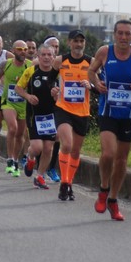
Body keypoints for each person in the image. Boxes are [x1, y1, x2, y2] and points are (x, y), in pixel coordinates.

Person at [88, 19, 131, 221]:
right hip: (107, 111)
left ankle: (113, 200)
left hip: (128, 114)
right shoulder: (104, 52)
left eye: (128, 34)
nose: (124, 37)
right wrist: (97, 83)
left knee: (122, 160)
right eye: (120, 33)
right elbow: (91, 71)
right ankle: (103, 189)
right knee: (108, 154)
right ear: (114, 35)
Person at [53, 30, 92, 201]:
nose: (78, 44)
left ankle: (69, 183)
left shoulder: (91, 62)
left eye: (81, 41)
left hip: (82, 112)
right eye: (75, 41)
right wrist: (52, 88)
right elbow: (48, 78)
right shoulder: (61, 60)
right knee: (67, 145)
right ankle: (64, 182)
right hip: (63, 108)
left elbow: (100, 84)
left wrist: (91, 84)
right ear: (69, 43)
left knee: (75, 151)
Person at [15, 44, 59, 189]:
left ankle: (39, 176)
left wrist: (57, 95)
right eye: (43, 55)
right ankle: (30, 156)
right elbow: (18, 88)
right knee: (37, 147)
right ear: (38, 57)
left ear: (53, 57)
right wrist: (27, 96)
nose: (46, 57)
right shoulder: (31, 71)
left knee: (48, 148)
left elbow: (64, 94)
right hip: (35, 115)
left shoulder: (58, 74)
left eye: (49, 55)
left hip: (51, 115)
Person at [0, 40, 32, 176]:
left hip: (24, 103)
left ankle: (15, 160)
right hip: (8, 101)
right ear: (13, 50)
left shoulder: (30, 66)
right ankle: (9, 159)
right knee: (12, 128)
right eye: (20, 49)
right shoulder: (6, 64)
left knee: (21, 134)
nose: (23, 51)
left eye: (25, 49)